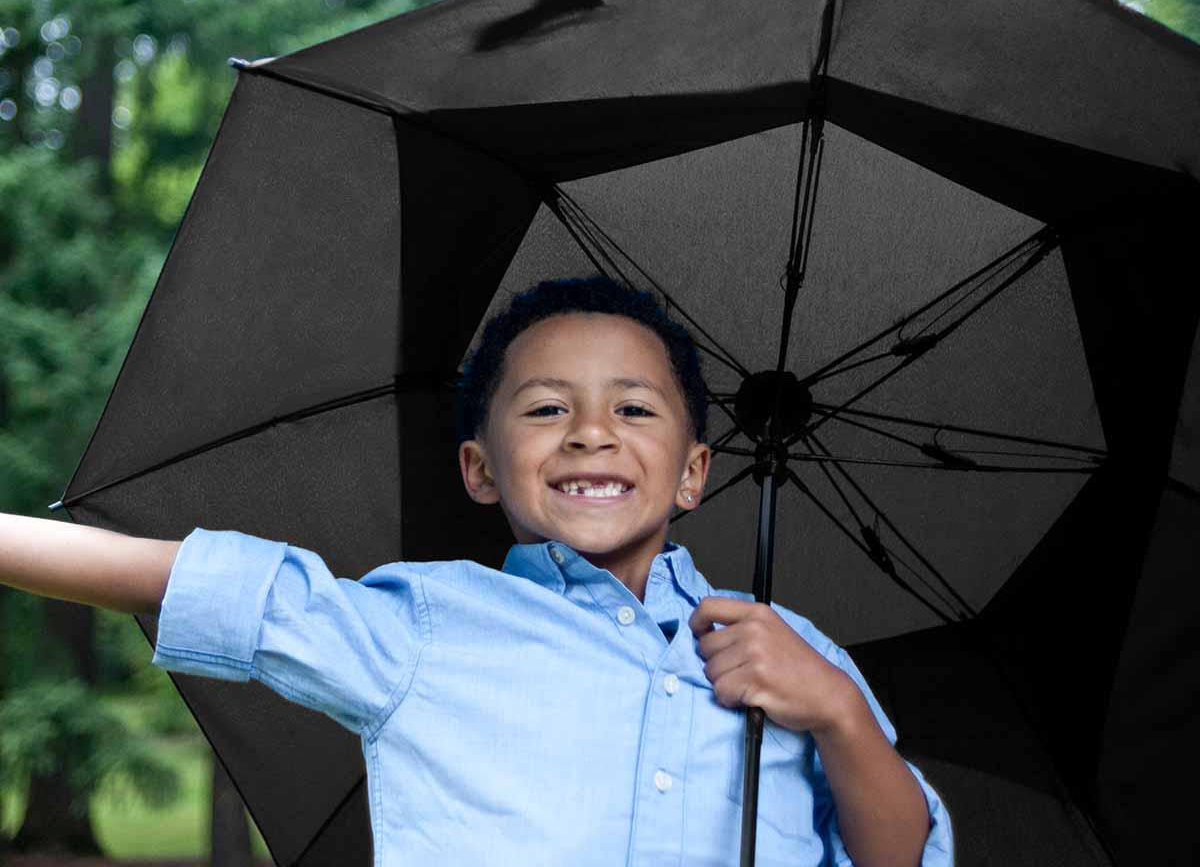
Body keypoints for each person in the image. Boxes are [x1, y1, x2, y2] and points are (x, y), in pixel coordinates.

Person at [0, 275, 953, 866]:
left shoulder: (793, 655)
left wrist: (835, 708)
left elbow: (900, 853)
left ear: (693, 472)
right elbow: (221, 590)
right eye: (545, 410)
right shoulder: (428, 624)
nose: (590, 432)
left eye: (635, 410)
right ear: (480, 468)